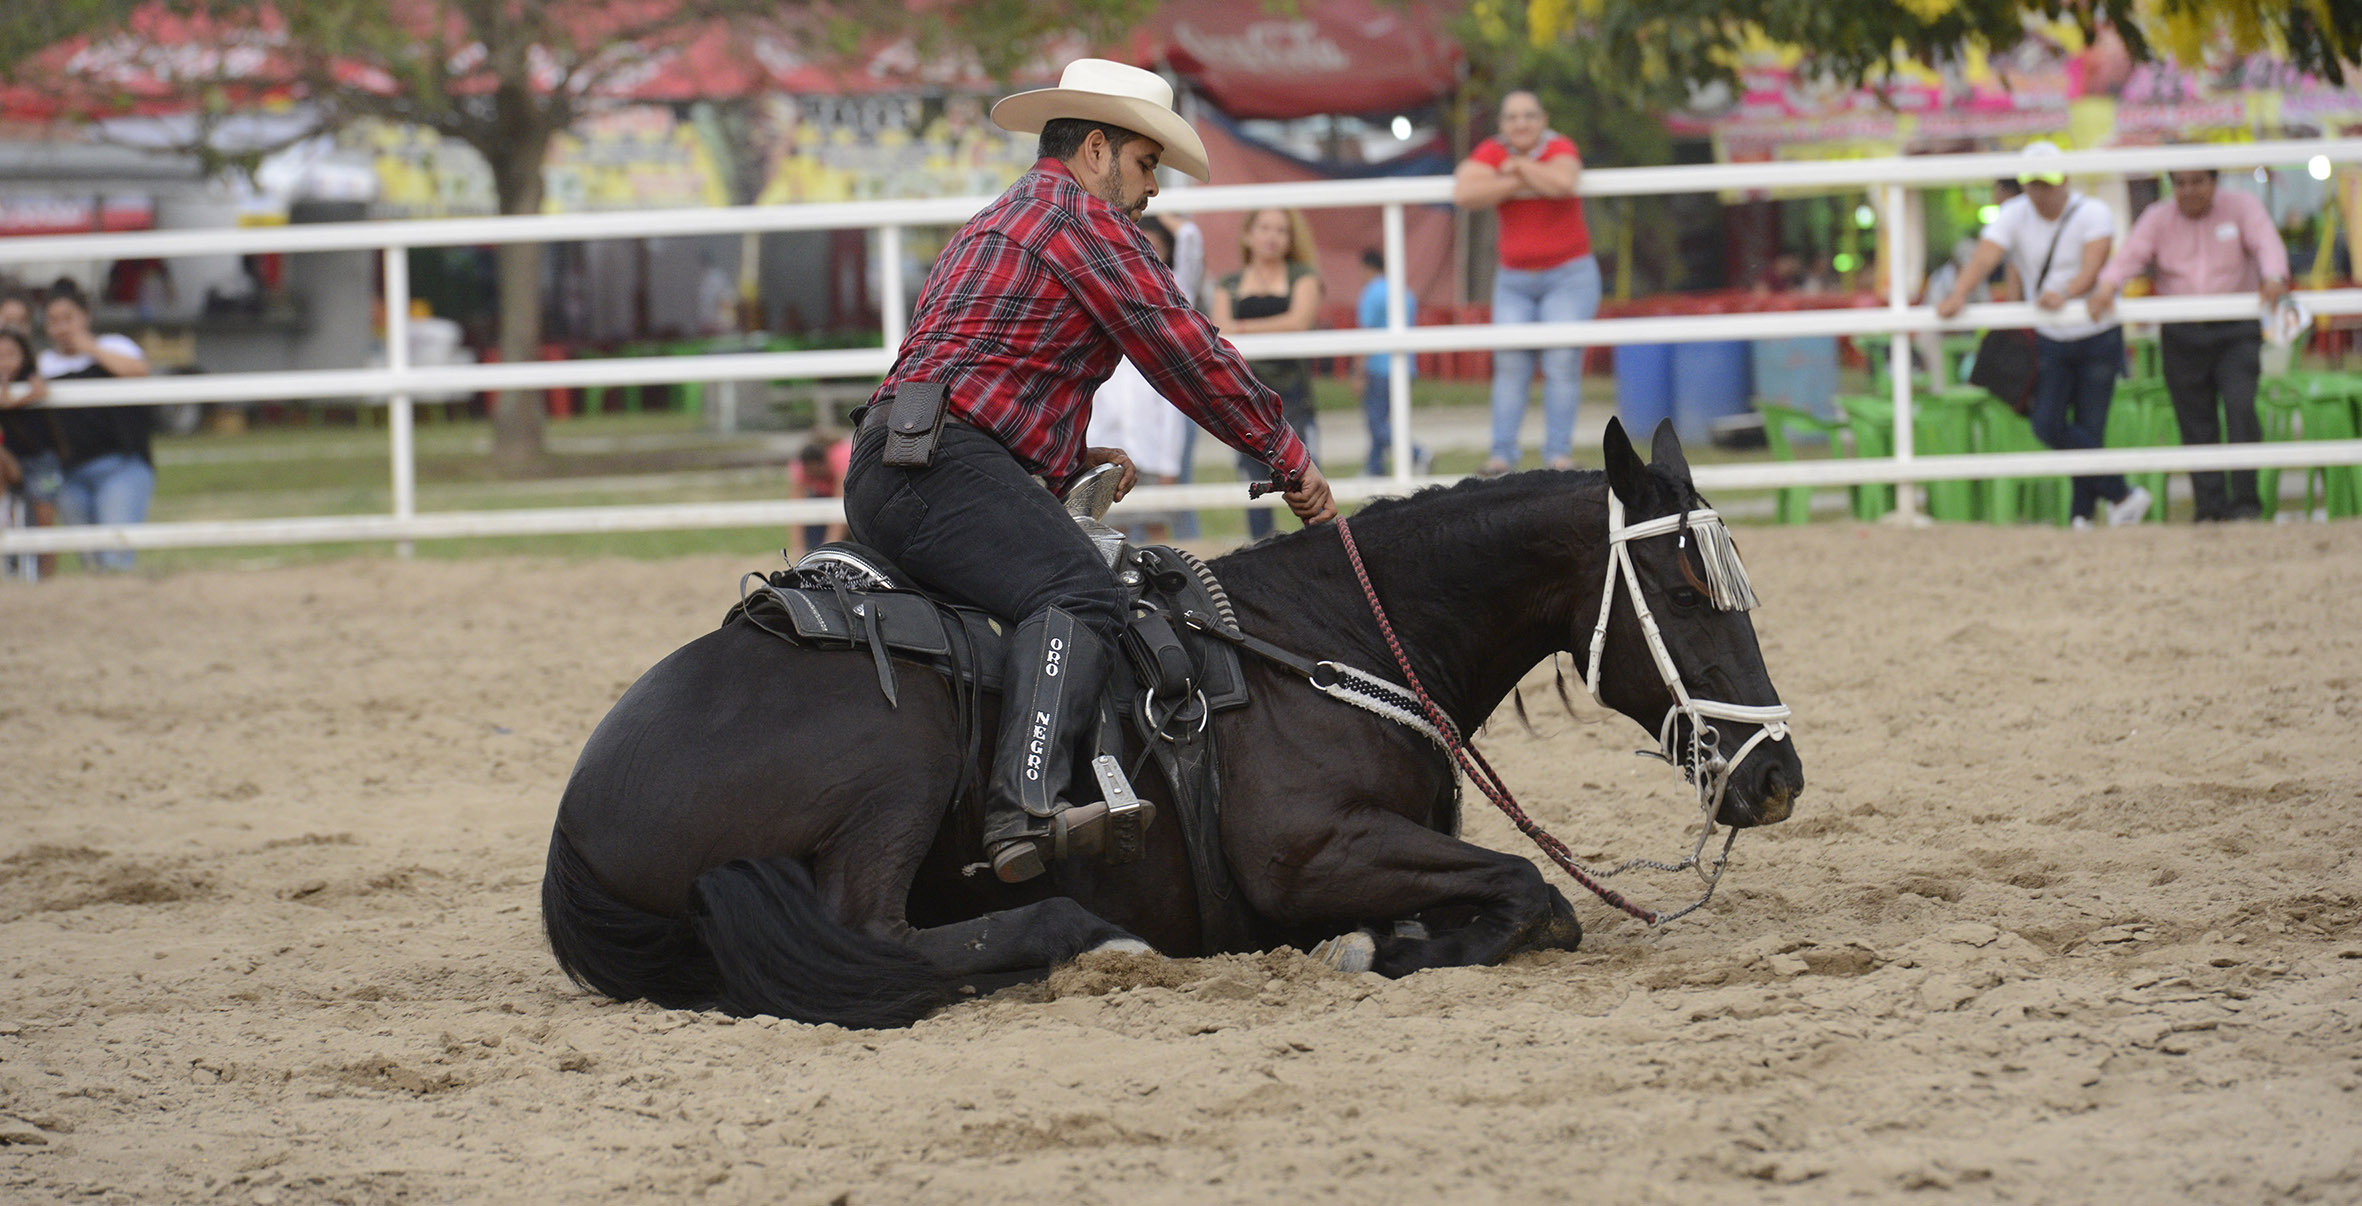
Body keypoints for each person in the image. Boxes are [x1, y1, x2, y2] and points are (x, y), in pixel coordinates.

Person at [843, 58, 1333, 884]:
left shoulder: (993, 221)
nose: (1151, 193)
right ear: (1098, 150)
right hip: (944, 468)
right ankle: (1024, 808)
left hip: (890, 461)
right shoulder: (1087, 224)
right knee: (1080, 593)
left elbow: (973, 365)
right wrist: (1285, 456)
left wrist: (1066, 458)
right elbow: (1185, 349)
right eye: (1147, 165)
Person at [1936, 142, 2150, 529]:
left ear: (2064, 179)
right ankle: (2120, 495)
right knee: (2047, 423)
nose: (2040, 192)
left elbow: (2093, 266)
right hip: (2051, 336)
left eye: (2046, 183)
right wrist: (1958, 293)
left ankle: (2082, 514)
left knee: (2088, 426)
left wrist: (2065, 293)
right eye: (2033, 184)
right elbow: (1985, 256)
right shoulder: (2014, 214)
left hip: (2096, 335)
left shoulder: (2092, 212)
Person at [2088, 166, 2291, 521]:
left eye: (2198, 181)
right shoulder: (2157, 217)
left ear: (2215, 181)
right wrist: (2107, 286)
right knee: (2195, 421)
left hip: (2235, 330)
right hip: (2182, 333)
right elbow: (2130, 256)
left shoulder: (2241, 206)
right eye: (2180, 183)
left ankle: (2246, 506)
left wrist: (2273, 276)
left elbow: (2267, 244)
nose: (2189, 190)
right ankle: (2209, 509)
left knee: (2240, 407)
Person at [1454, 89, 1597, 474]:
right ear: (1501, 124)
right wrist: (1524, 175)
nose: (1521, 123)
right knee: (1511, 365)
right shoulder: (1490, 149)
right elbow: (1466, 191)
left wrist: (1513, 169)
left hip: (1569, 275)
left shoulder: (1560, 145)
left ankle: (1558, 457)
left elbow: (1563, 182)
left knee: (1562, 362)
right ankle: (1502, 457)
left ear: (1544, 119)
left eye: (1529, 115)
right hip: (1514, 279)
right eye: (1513, 117)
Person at [1212, 207, 1323, 540]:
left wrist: (1243, 326)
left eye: (1281, 230)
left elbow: (1299, 322)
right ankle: (1259, 548)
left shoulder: (1303, 276)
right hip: (1245, 394)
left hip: (1292, 394)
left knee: (1305, 477)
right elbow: (1219, 331)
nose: (1272, 237)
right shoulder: (1229, 283)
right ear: (1248, 234)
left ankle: (1321, 543)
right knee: (1254, 482)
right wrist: (1264, 328)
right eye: (1264, 228)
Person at [38, 279, 157, 570]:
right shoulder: (43, 365)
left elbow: (139, 370)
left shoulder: (112, 346)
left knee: (115, 557)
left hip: (120, 465)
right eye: (54, 321)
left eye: (69, 318)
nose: (62, 328)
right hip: (69, 474)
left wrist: (88, 347)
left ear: (86, 316)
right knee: (91, 563)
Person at [1086, 217, 1190, 543]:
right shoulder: (1102, 292)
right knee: (1113, 531)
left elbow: (1190, 238)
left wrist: (1169, 462)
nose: (1142, 253)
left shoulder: (1170, 294)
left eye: (1152, 246)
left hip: (1151, 448)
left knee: (1157, 527)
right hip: (1107, 444)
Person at [1351, 247, 1426, 476]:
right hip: (1406, 366)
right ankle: (1374, 468)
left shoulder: (1372, 292)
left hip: (1380, 366)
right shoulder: (1405, 292)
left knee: (1377, 422)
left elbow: (1367, 333)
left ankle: (1417, 453)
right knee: (1384, 419)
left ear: (1367, 268)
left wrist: (1358, 371)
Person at [789, 430, 851, 554]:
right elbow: (796, 509)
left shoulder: (841, 459)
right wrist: (798, 548)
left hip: (851, 495)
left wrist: (828, 547)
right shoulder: (799, 467)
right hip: (823, 496)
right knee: (812, 510)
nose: (814, 476)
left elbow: (841, 504)